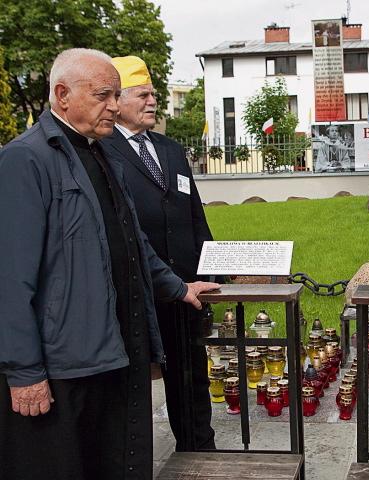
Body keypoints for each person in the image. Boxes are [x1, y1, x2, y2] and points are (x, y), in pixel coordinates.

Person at [0, 48, 219, 480]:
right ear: (62, 95)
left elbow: (131, 244)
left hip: (113, 352)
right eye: (103, 95)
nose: (115, 107)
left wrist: (178, 287)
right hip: (63, 367)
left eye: (117, 95)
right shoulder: (25, 159)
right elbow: (10, 279)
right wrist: (24, 372)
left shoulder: (101, 154)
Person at [101, 55, 215, 451]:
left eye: (154, 94)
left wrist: (214, 271)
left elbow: (195, 215)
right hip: (139, 289)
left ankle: (199, 447)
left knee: (191, 375)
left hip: (186, 288)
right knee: (135, 381)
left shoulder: (170, 149)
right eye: (142, 95)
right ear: (117, 100)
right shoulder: (102, 150)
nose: (152, 102)